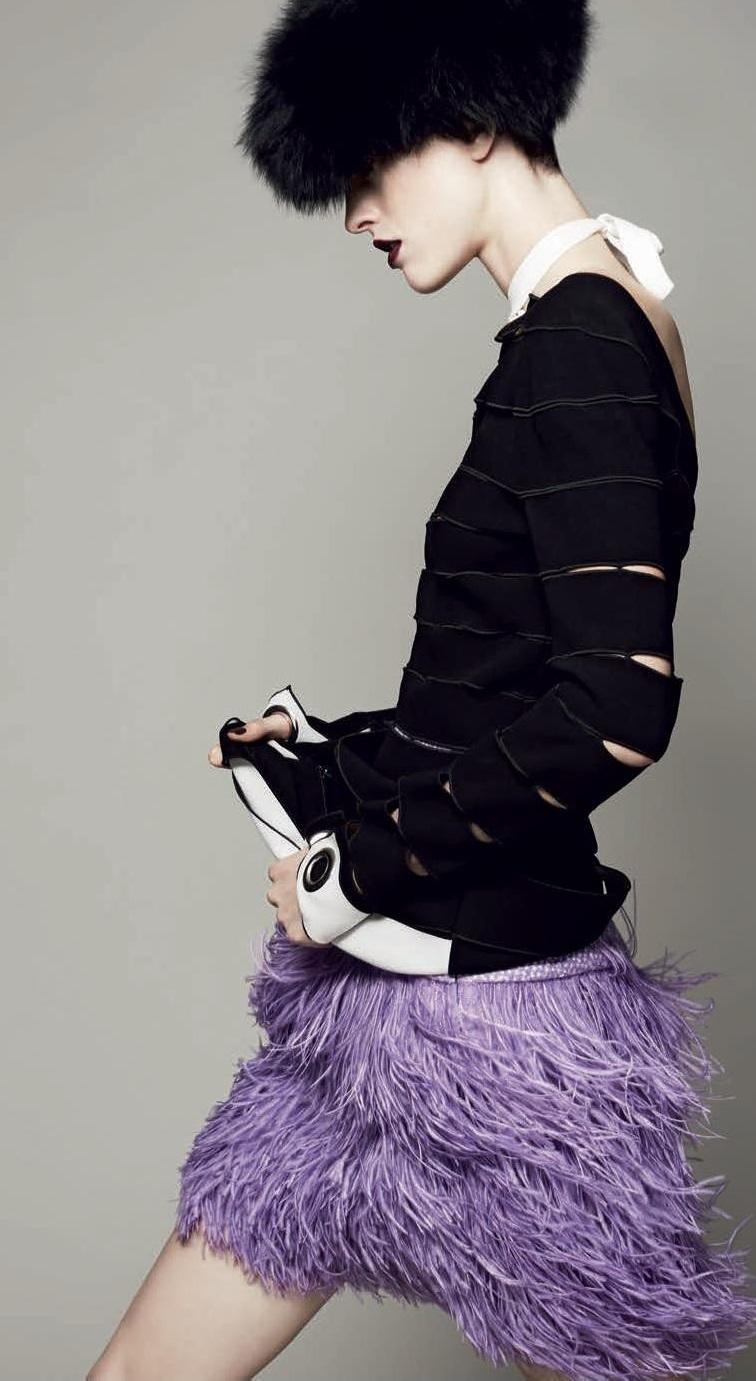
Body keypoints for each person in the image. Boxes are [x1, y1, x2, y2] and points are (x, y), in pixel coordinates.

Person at [86, 3, 756, 1379]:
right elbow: (507, 682)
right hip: (382, 1000)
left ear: (478, 120)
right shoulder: (589, 318)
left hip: (494, 1025)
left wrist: (353, 867)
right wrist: (332, 751)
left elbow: (616, 710)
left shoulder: (583, 341)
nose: (356, 215)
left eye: (368, 165)